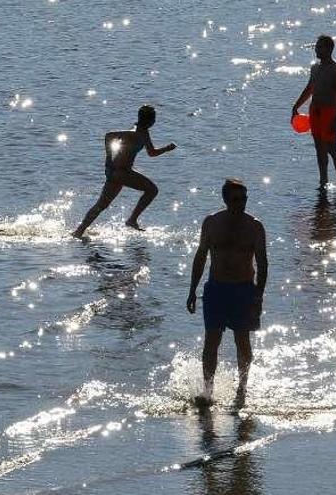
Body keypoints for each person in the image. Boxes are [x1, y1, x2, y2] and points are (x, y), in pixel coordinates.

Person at [187, 179, 268, 407]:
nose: (240, 204)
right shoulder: (212, 223)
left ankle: (242, 389)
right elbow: (201, 255)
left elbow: (263, 264)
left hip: (243, 290)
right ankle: (207, 391)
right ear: (225, 200)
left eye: (244, 199)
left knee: (242, 342)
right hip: (216, 289)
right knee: (211, 341)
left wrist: (258, 296)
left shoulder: (254, 226)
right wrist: (192, 290)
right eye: (235, 200)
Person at [72, 105, 176, 238]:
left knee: (102, 205)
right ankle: (132, 220)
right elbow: (109, 136)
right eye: (154, 119)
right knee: (152, 190)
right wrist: (108, 158)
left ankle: (79, 231)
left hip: (119, 173)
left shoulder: (144, 133)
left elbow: (151, 153)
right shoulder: (134, 133)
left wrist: (166, 149)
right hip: (120, 172)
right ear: (150, 121)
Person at [292, 35, 336, 191]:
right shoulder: (315, 68)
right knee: (319, 147)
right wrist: (296, 106)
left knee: (331, 147)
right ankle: (323, 181)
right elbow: (310, 88)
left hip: (329, 112)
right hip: (315, 110)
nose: (316, 49)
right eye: (316, 46)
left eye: (319, 46)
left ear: (329, 49)